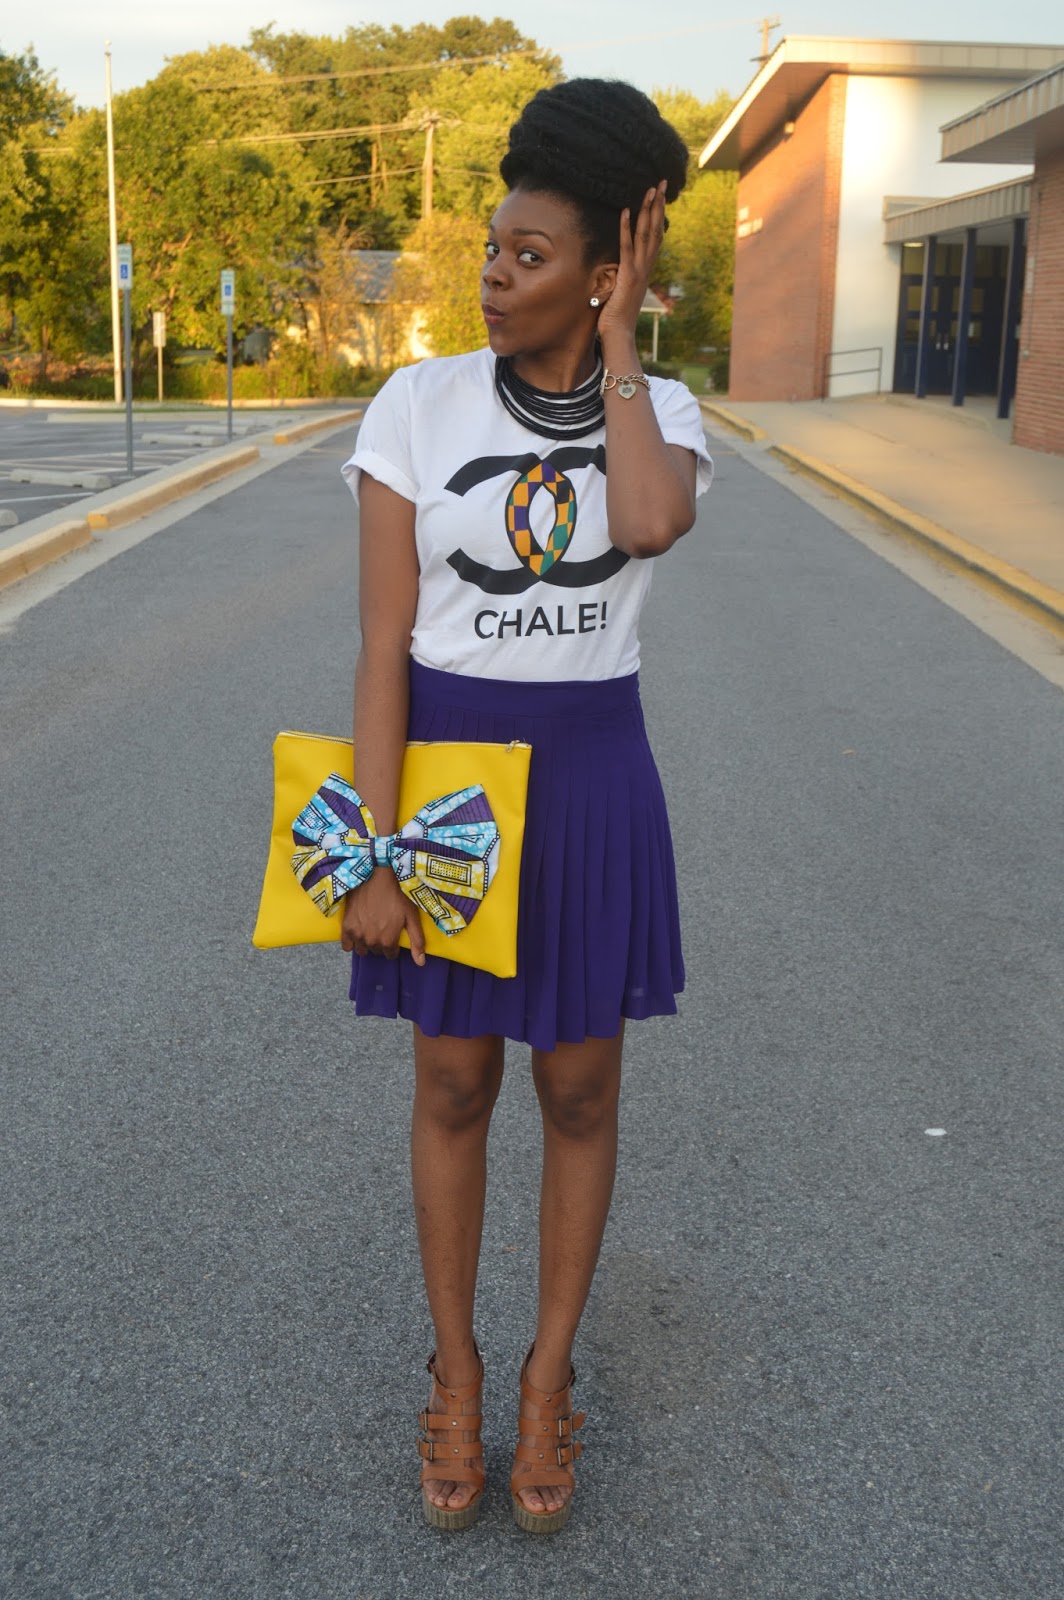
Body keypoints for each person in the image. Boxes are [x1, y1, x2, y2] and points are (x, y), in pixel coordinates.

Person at [338, 77, 713, 1534]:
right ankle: (457, 1371)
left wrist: (619, 347)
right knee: (451, 1081)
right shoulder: (416, 404)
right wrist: (376, 850)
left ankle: (551, 1380)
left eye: (532, 254)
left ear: (607, 270)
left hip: (593, 779)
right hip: (446, 782)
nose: (494, 275)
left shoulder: (661, 414)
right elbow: (383, 645)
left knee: (578, 1088)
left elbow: (649, 521)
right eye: (493, 249)